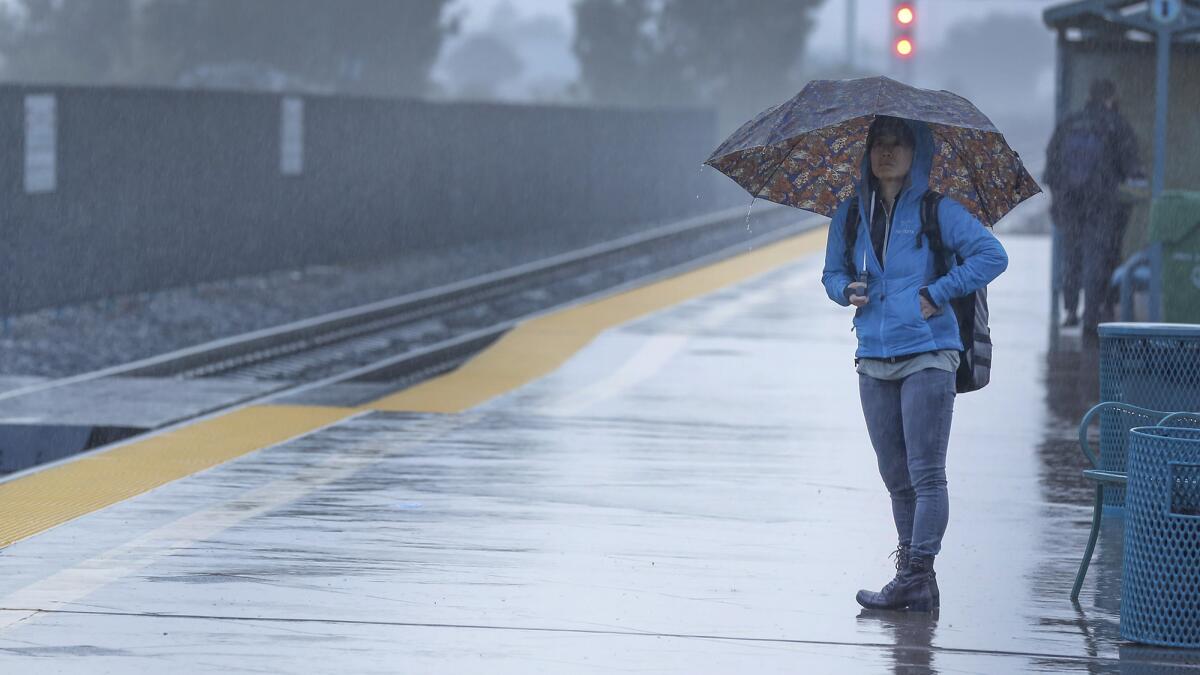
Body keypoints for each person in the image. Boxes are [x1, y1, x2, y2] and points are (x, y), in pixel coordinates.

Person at [821, 116, 1009, 612]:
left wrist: (939, 290)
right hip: (874, 358)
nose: (887, 153)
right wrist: (847, 290)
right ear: (867, 153)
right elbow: (830, 274)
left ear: (916, 151)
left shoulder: (937, 210)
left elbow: (992, 256)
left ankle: (916, 572)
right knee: (895, 476)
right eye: (878, 145)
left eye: (897, 144)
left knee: (927, 474)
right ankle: (915, 581)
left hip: (929, 353)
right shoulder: (852, 214)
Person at [1044, 78, 1143, 337]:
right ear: (1110, 97)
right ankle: (1092, 316)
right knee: (1096, 257)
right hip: (1101, 202)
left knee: (1072, 256)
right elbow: (1132, 167)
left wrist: (1059, 200)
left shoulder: (1069, 123)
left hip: (1069, 201)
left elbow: (1052, 166)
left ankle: (1070, 310)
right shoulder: (1115, 124)